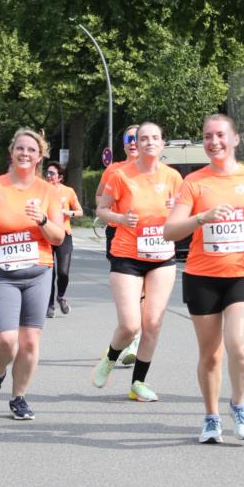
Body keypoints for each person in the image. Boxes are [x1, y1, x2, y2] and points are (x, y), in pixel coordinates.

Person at [164, 114, 244, 443]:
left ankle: (239, 404)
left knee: (240, 348)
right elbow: (169, 230)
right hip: (203, 276)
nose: (214, 142)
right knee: (211, 354)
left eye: (220, 135)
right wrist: (201, 217)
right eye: (208, 136)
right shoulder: (194, 183)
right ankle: (211, 416)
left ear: (235, 139)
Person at [0, 129, 65, 421]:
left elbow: (58, 237)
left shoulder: (48, 192)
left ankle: (19, 397)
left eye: (31, 150)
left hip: (38, 272)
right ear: (11, 152)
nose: (25, 153)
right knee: (7, 340)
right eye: (20, 149)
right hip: (1, 272)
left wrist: (43, 220)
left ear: (40, 156)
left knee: (30, 341)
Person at [92, 121, 182, 402]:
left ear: (162, 143)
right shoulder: (121, 175)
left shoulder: (173, 177)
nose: (149, 142)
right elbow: (102, 208)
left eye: (155, 138)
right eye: (143, 138)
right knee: (131, 325)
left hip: (162, 256)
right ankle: (110, 357)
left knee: (153, 322)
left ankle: (138, 383)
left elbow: (187, 216)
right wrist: (120, 218)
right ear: (137, 144)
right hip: (127, 255)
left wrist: (176, 210)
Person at [94, 124, 141, 364]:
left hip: (147, 236)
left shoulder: (158, 171)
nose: (133, 142)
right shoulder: (114, 169)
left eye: (137, 137)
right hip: (119, 235)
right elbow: (99, 197)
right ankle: (129, 330)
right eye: (128, 138)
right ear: (123, 144)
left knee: (144, 291)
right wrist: (114, 212)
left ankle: (134, 337)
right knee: (129, 290)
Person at [45, 161, 83, 317]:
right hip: (46, 235)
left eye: (52, 173)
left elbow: (79, 211)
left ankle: (61, 296)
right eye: (47, 172)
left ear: (60, 177)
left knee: (63, 272)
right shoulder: (42, 190)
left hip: (64, 235)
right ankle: (50, 305)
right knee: (49, 273)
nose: (48, 176)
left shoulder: (68, 192)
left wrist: (69, 213)